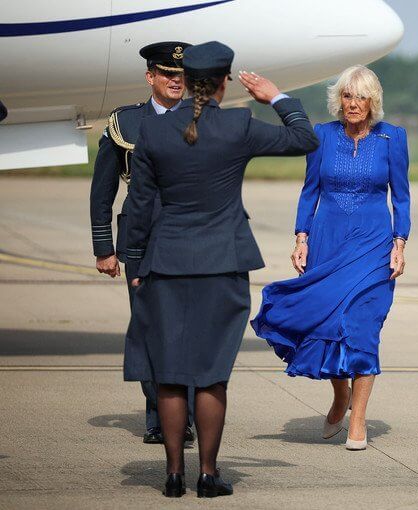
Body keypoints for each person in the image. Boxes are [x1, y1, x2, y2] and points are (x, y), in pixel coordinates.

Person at [123, 41, 319, 497]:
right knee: (211, 375)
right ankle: (208, 475)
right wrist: (277, 97)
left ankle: (173, 476)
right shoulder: (238, 125)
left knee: (170, 374)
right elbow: (304, 139)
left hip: (166, 263)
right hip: (222, 264)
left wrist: (136, 262)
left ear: (186, 79)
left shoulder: (151, 131)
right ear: (224, 81)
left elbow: (138, 206)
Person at [250, 65, 410, 451]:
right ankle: (341, 395)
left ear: (373, 101)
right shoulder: (322, 135)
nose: (353, 104)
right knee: (328, 322)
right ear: (338, 99)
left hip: (373, 244)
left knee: (364, 326)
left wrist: (400, 242)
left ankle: (358, 418)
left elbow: (401, 196)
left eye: (360, 97)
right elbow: (310, 192)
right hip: (328, 240)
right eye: (346, 96)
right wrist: (301, 238)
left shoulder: (393, 138)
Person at [89, 41, 195, 446]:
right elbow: (103, 189)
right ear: (151, 76)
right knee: (152, 328)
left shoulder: (205, 118)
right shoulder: (125, 122)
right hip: (140, 238)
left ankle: (181, 414)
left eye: (181, 75)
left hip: (191, 238)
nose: (175, 81)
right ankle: (158, 415)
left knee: (187, 330)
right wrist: (104, 246)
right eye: (167, 74)